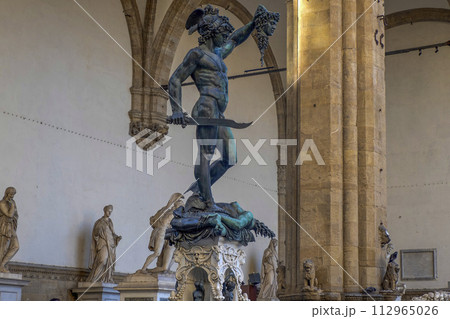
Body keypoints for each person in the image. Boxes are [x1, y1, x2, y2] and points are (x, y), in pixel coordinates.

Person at [169, 5, 278, 209]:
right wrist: (176, 109)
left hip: (218, 111)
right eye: (221, 34)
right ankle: (207, 201)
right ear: (212, 33)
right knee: (206, 153)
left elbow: (236, 39)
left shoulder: (218, 54)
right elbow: (175, 79)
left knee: (230, 158)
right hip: (206, 107)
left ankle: (201, 188)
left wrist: (254, 23)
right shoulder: (197, 55)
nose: (224, 38)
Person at [140, 193, 184, 273]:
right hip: (161, 233)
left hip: (168, 235)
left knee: (176, 254)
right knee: (157, 253)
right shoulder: (171, 214)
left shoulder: (170, 212)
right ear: (176, 207)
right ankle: (143, 269)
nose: (182, 209)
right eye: (180, 206)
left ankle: (157, 270)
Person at [86, 205, 121, 283]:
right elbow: (95, 234)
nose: (110, 213)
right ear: (105, 211)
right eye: (109, 211)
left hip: (111, 245)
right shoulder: (99, 222)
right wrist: (99, 230)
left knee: (109, 263)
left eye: (111, 211)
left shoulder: (110, 222)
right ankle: (93, 279)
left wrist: (116, 238)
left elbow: (112, 233)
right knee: (102, 260)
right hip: (103, 244)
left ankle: (105, 278)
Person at [0, 187, 19, 272]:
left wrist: (13, 205)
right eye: (11, 194)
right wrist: (13, 206)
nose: (12, 196)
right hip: (4, 227)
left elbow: (16, 215)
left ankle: (2, 264)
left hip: (11, 227)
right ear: (6, 193)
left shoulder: (12, 202)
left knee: (16, 246)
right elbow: (9, 215)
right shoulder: (2, 203)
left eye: (13, 194)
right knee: (3, 248)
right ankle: (1, 266)